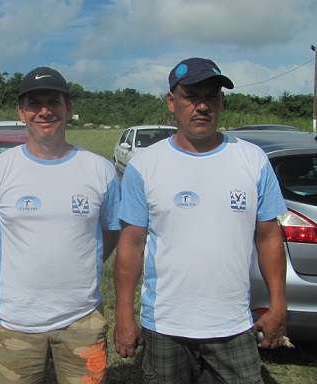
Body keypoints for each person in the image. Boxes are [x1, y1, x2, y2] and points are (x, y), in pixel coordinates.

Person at [114, 58, 288, 383]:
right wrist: (123, 313)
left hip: (233, 324)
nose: (202, 105)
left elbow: (268, 237)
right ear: (171, 101)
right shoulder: (145, 166)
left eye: (211, 95)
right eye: (191, 96)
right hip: (165, 324)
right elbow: (131, 244)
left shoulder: (252, 160)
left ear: (222, 102)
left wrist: (278, 304)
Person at [0, 67, 121, 383]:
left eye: (53, 102)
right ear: (21, 113)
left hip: (82, 320)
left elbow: (109, 233)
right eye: (34, 104)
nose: (44, 111)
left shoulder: (101, 170)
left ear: (68, 109)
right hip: (15, 321)